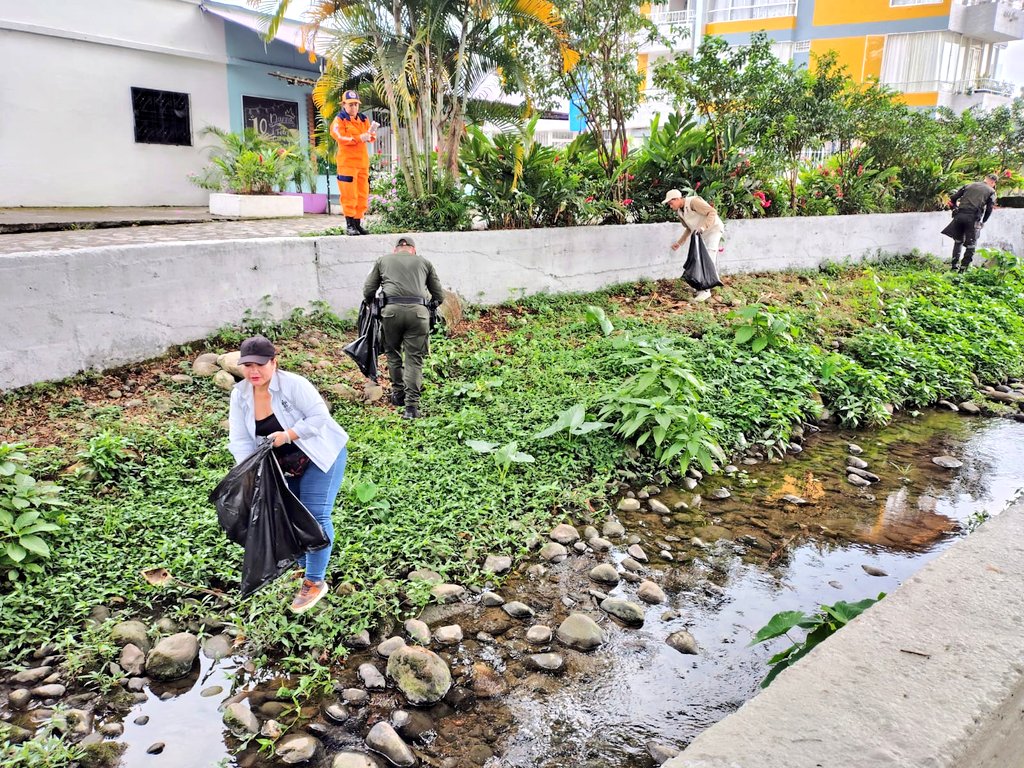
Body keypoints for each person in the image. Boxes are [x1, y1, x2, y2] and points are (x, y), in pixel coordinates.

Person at [227, 335, 349, 613]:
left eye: (260, 364)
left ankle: (315, 581)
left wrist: (289, 435)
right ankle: (304, 567)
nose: (253, 371)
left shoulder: (294, 385)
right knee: (290, 514)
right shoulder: (240, 394)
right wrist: (247, 470)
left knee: (315, 515)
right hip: (283, 463)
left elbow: (320, 417)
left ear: (274, 362)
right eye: (247, 365)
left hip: (320, 454)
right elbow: (240, 438)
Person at [363, 236, 445, 420]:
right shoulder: (424, 262)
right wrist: (429, 306)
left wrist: (372, 304)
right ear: (413, 250)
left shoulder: (383, 261)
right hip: (418, 315)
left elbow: (368, 290)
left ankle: (398, 394)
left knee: (393, 354)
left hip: (390, 314)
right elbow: (439, 295)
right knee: (414, 360)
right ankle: (411, 408)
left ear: (395, 250)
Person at [663, 188, 725, 302]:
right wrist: (679, 243)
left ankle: (706, 291)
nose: (670, 206)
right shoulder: (680, 212)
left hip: (713, 229)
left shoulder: (693, 202)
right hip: (701, 233)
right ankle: (700, 285)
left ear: (677, 199)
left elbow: (712, 212)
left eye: (671, 203)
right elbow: (689, 228)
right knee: (698, 259)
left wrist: (703, 227)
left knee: (708, 258)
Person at [329, 90, 376, 237]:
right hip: (347, 164)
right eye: (350, 104)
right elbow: (339, 136)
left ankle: (357, 224)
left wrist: (370, 134)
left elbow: (371, 136)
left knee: (362, 194)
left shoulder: (363, 119)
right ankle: (350, 225)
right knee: (349, 195)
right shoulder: (339, 120)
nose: (354, 107)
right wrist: (358, 138)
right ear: (344, 104)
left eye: (356, 104)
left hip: (362, 163)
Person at [943, 174, 997, 272]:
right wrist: (983, 221)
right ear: (993, 182)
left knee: (958, 242)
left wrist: (954, 208)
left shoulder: (969, 185)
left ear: (985, 179)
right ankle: (963, 270)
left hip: (959, 216)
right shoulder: (991, 191)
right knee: (971, 245)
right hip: (972, 219)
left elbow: (953, 198)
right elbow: (989, 209)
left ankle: (954, 267)